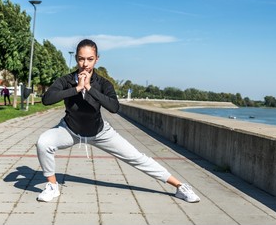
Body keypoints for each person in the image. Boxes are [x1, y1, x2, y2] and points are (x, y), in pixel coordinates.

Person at [36, 39, 200, 203]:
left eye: (90, 59)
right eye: (81, 58)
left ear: (97, 59)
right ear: (76, 58)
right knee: (44, 142)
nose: (85, 64)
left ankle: (180, 186)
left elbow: (114, 107)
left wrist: (89, 88)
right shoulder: (66, 80)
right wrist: (77, 88)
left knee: (137, 157)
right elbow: (47, 99)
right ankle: (52, 186)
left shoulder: (103, 83)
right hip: (70, 130)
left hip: (100, 132)